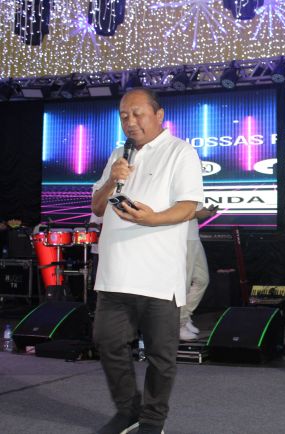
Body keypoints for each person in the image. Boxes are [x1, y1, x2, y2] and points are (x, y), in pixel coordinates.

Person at [91, 88, 204, 434]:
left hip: (158, 276)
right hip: (114, 274)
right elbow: (97, 206)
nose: (130, 121)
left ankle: (153, 421)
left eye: (138, 113)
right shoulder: (118, 154)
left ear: (159, 115)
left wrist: (153, 219)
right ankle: (129, 411)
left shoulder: (180, 152)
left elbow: (189, 206)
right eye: (124, 115)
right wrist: (113, 179)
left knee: (160, 355)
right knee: (108, 343)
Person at [179, 205, 218, 341]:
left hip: (193, 237)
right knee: (184, 284)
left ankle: (184, 316)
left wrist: (205, 212)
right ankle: (179, 324)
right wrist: (201, 213)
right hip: (184, 238)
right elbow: (181, 211)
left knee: (202, 280)